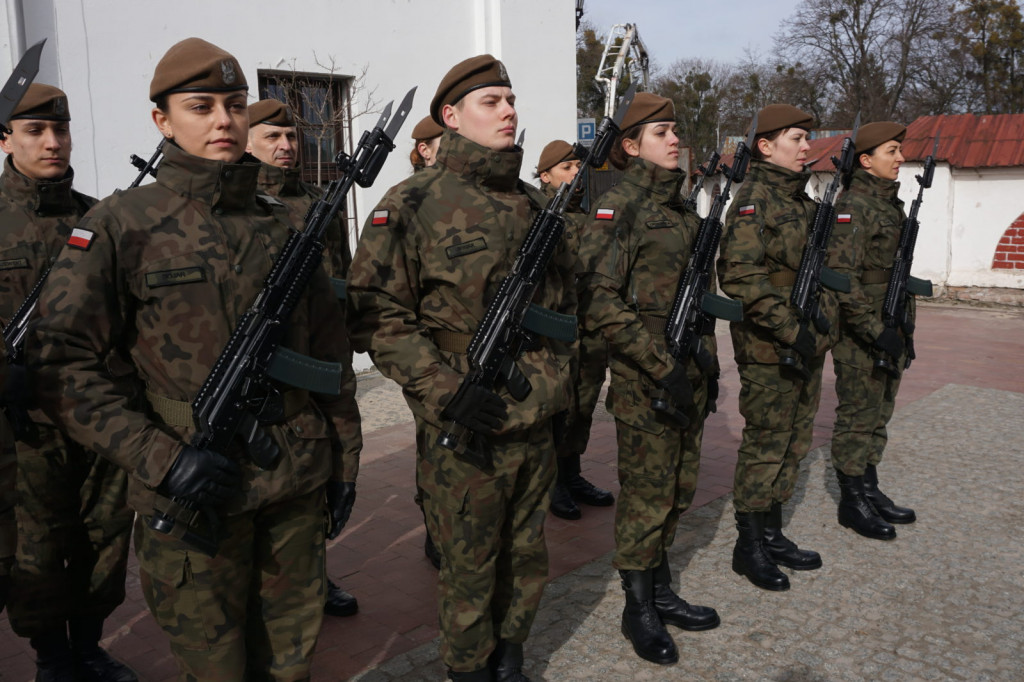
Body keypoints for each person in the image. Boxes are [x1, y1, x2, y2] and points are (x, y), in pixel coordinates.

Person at [28, 38, 357, 680]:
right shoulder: (120, 224)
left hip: (294, 483)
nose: (224, 121)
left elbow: (330, 356)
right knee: (214, 667)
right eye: (200, 106)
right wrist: (161, 458)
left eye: (234, 105)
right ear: (162, 121)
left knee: (291, 663)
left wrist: (345, 458)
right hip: (195, 486)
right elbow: (60, 364)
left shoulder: (283, 224)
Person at [348, 54, 576, 682]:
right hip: (466, 420)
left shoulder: (534, 203)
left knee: (527, 556)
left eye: (511, 99)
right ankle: (468, 670)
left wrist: (559, 386)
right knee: (470, 566)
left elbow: (564, 306)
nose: (509, 111)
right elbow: (375, 313)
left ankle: (511, 659)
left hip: (535, 419)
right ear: (451, 116)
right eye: (492, 101)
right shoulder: (413, 201)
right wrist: (443, 389)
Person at [0, 83, 137, 682]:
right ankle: (51, 657)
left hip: (100, 413)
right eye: (34, 131)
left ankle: (88, 645)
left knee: (104, 537)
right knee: (35, 544)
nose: (53, 142)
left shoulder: (98, 217)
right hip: (24, 426)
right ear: (5, 138)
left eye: (61, 129)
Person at [578, 93, 720, 665]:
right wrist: (661, 365)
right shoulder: (619, 208)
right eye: (661, 132)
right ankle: (637, 607)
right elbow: (597, 299)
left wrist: (704, 364)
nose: (675, 139)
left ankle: (661, 590)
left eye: (676, 130)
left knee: (680, 488)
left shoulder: (683, 209)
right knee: (646, 495)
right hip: (647, 382)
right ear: (631, 145)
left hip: (690, 375)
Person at [247, 97, 363, 617]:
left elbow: (340, 272)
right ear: (247, 141)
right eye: (271, 136)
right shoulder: (240, 206)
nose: (286, 146)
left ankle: (315, 574)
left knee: (316, 473)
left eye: (290, 136)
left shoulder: (322, 200)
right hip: (258, 362)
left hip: (315, 360)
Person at [717, 104, 838, 592]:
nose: (807, 146)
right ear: (766, 146)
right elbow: (740, 277)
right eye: (796, 138)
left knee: (795, 440)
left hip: (805, 341)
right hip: (771, 347)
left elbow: (821, 269)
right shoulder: (753, 201)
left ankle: (772, 531)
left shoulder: (804, 201)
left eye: (807, 137)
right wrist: (792, 330)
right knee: (767, 443)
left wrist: (822, 324)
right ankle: (748, 546)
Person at [829, 121, 917, 540]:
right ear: (866, 160)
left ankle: (869, 486)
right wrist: (873, 328)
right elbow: (842, 277)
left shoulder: (888, 203)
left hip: (891, 323)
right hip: (863, 332)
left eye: (900, 151)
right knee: (857, 415)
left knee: (879, 412)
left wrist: (900, 326)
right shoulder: (854, 207)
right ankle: (852, 500)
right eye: (892, 151)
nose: (900, 158)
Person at [536, 139, 614, 521]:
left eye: (577, 168)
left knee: (582, 406)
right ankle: (553, 483)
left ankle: (572, 474)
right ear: (545, 176)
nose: (575, 175)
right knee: (558, 409)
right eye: (566, 169)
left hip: (591, 330)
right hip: (557, 334)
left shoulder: (587, 217)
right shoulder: (539, 218)